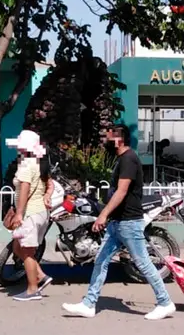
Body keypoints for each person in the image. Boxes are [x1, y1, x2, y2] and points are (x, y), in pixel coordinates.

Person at [62, 124, 176, 321]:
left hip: (129, 222)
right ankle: (89, 304)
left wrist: (103, 214)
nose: (105, 141)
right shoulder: (121, 159)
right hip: (117, 223)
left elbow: (122, 191)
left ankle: (165, 302)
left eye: (108, 137)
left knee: (143, 263)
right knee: (101, 261)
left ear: (119, 139)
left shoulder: (129, 159)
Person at [7, 129, 55, 301]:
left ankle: (33, 289)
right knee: (18, 247)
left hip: (31, 214)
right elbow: (51, 185)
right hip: (41, 213)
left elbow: (24, 190)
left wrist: (19, 214)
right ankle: (41, 275)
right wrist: (47, 196)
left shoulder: (27, 164)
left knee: (26, 252)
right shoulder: (40, 163)